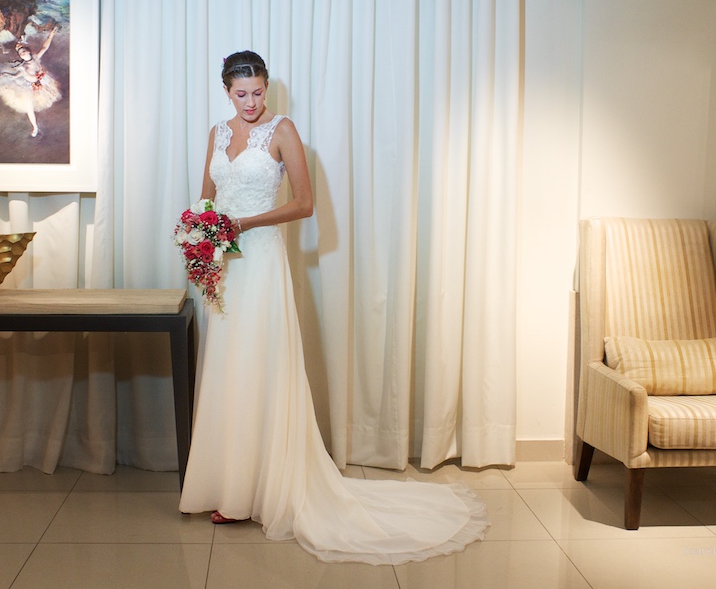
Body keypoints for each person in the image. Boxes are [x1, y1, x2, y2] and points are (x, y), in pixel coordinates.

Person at [178, 51, 489, 565]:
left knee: (264, 368)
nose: (251, 102)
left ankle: (270, 487)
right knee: (229, 370)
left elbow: (305, 204)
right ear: (225, 91)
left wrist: (244, 225)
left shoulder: (283, 130)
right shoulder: (215, 133)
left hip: (262, 262)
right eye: (241, 94)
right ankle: (230, 488)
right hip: (226, 270)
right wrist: (203, 241)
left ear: (267, 87)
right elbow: (206, 203)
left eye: (258, 91)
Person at [0, 27, 61, 137]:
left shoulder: (36, 58)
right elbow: (16, 76)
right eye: (20, 53)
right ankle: (35, 127)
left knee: (47, 98)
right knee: (29, 108)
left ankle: (48, 120)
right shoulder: (23, 67)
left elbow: (44, 47)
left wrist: (51, 35)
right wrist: (6, 75)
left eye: (23, 51)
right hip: (27, 87)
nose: (22, 54)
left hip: (40, 83)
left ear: (28, 51)